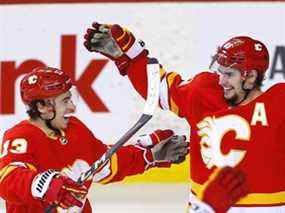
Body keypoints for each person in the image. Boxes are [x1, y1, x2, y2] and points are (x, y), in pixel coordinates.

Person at [83, 22, 284, 212]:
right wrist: (132, 56)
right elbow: (160, 90)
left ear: (250, 77)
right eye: (220, 72)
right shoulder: (204, 91)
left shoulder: (278, 104)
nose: (221, 81)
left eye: (229, 74)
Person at [0, 66, 190, 212]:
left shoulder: (75, 130)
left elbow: (105, 165)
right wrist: (43, 185)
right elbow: (7, 178)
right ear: (42, 106)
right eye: (65, 101)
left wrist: (148, 156)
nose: (72, 107)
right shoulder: (20, 137)